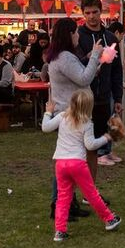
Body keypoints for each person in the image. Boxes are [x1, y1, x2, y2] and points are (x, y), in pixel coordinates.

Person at [43, 90, 121, 242]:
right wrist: (106, 137)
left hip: (60, 163)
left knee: (63, 197)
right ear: (88, 107)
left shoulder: (62, 117)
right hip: (77, 163)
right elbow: (90, 145)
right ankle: (109, 219)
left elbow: (45, 127)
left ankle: (60, 231)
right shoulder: (87, 123)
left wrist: (48, 112)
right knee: (91, 193)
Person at [46, 17, 103, 220]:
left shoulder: (60, 56)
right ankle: (60, 203)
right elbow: (83, 78)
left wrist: (91, 63)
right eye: (76, 32)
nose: (79, 36)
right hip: (71, 114)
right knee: (68, 161)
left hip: (70, 112)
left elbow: (80, 77)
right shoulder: (65, 58)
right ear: (69, 34)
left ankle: (68, 202)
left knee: (68, 159)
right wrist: (95, 56)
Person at [77, 0, 124, 169]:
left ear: (100, 11)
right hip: (84, 95)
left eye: (94, 12)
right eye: (87, 13)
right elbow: (74, 64)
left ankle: (103, 154)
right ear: (82, 13)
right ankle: (84, 163)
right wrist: (88, 57)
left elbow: (117, 70)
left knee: (104, 128)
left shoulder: (110, 37)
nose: (91, 16)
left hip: (105, 93)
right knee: (83, 135)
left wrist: (118, 96)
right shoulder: (78, 36)